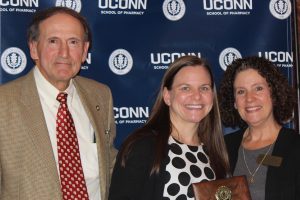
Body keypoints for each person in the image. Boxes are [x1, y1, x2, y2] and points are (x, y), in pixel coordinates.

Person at [0, 7, 117, 200]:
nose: (64, 53)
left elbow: (108, 162)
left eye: (73, 42)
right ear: (33, 48)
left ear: (84, 51)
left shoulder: (100, 95)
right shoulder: (4, 103)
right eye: (53, 41)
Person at [108, 55, 230, 200]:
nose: (196, 96)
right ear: (167, 96)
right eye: (185, 88)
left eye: (204, 88)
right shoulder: (143, 146)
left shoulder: (214, 151)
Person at [219, 56, 300, 200]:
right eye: (241, 91)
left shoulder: (295, 147)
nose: (249, 98)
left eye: (258, 88)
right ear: (235, 102)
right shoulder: (225, 146)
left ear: (274, 94)